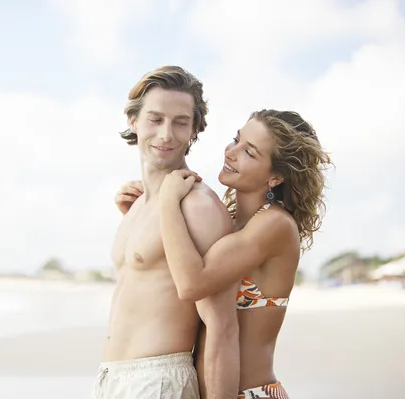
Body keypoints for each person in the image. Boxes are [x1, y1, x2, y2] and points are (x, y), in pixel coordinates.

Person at [116, 109, 332, 398]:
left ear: (276, 177)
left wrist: (167, 202)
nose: (231, 153)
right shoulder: (229, 221)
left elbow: (192, 283)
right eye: (236, 140)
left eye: (249, 153)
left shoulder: (274, 225)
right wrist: (142, 211)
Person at [93, 65, 240, 399]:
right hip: (111, 379)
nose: (166, 134)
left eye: (180, 122)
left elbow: (221, 326)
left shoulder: (197, 205)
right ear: (134, 121)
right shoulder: (139, 205)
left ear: (194, 130)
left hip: (158, 382)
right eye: (155, 119)